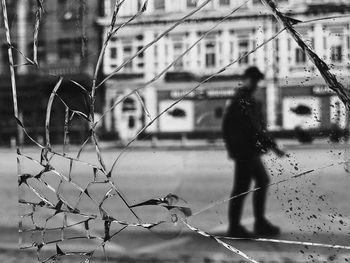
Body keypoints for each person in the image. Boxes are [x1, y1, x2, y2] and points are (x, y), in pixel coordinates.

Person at [222, 66, 285, 238]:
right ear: (248, 79)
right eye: (255, 81)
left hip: (248, 150)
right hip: (245, 150)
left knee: (260, 181)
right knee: (242, 187)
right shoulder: (243, 100)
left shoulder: (244, 99)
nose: (257, 85)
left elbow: (231, 127)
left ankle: (258, 222)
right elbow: (255, 128)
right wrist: (273, 146)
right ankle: (236, 227)